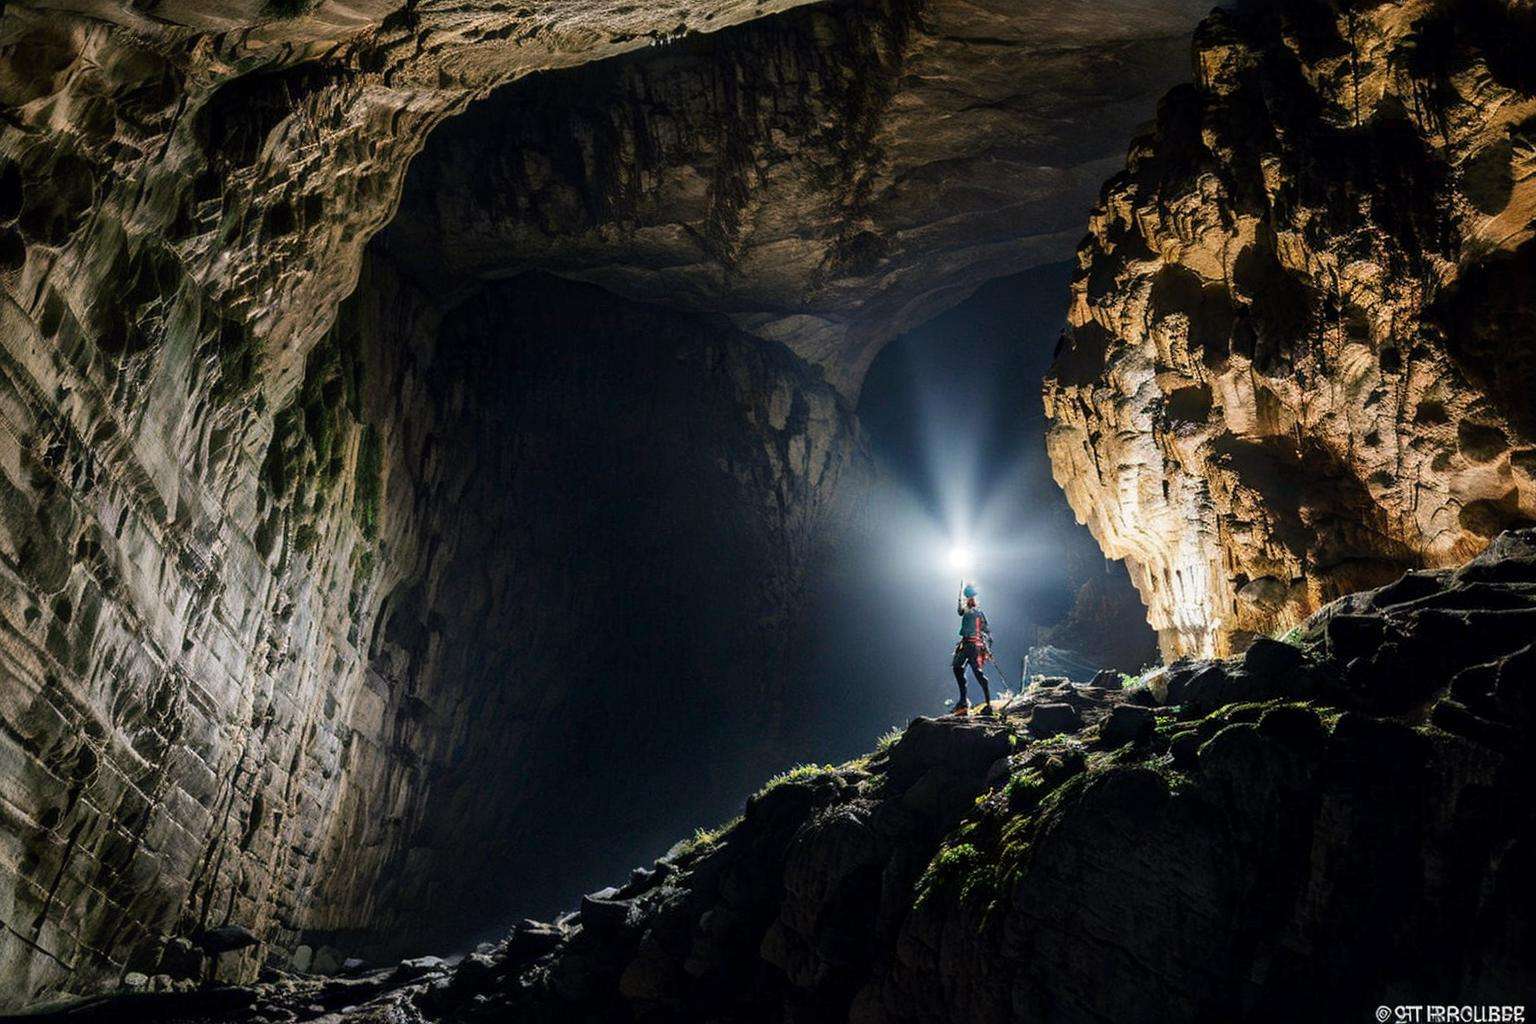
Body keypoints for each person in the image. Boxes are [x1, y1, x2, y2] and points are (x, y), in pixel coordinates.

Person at [951, 582, 994, 716]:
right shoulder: (966, 611)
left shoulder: (978, 613)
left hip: (974, 647)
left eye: (970, 599)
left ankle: (988, 704)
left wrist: (986, 645)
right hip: (965, 645)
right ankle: (963, 700)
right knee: (957, 667)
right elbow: (959, 611)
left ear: (974, 600)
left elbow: (987, 630)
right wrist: (959, 598)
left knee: (978, 674)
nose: (968, 601)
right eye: (967, 599)